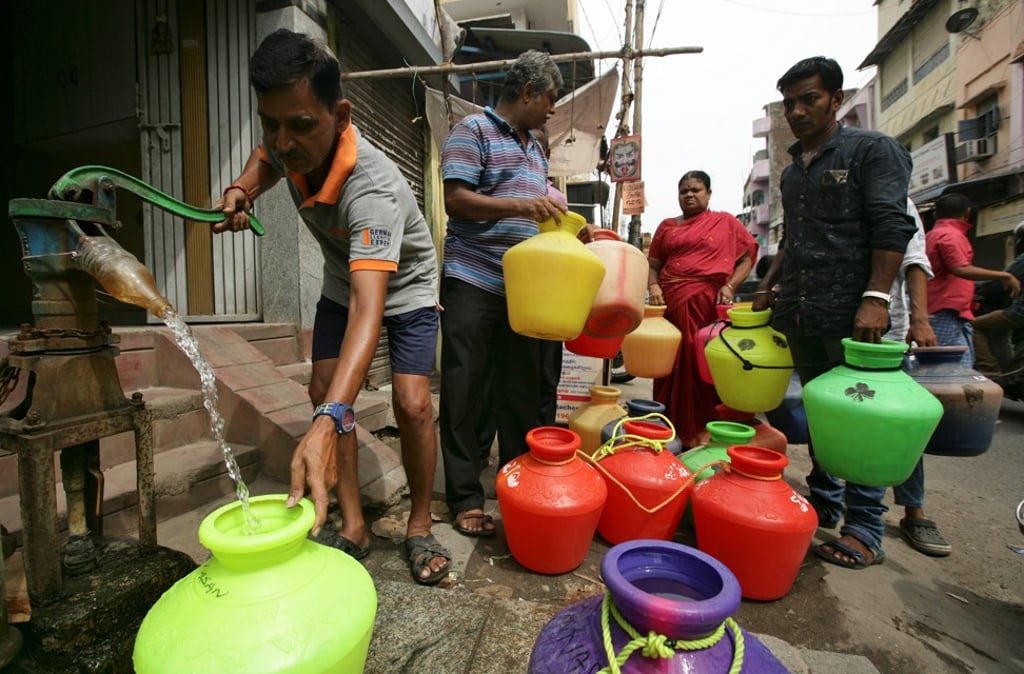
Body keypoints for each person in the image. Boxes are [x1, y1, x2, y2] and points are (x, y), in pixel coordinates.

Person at [213, 29, 450, 585]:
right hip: (346, 280)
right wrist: (242, 190)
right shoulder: (287, 137)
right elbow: (268, 159)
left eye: (299, 126)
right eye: (270, 122)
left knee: (412, 402)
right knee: (325, 391)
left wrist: (324, 426)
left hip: (406, 284)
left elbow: (372, 311)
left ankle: (419, 524)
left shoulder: (371, 190)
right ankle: (354, 526)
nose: (284, 139)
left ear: (340, 116)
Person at [753, 56, 917, 570]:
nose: (798, 111)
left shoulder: (873, 151)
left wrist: (877, 298)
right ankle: (824, 496)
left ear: (836, 100)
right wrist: (770, 285)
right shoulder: (793, 170)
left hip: (854, 314)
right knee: (820, 414)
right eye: (790, 103)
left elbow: (892, 226)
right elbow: (792, 238)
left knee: (858, 418)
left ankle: (866, 526)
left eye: (810, 99)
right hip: (802, 308)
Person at [439, 50, 567, 537]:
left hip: (524, 291)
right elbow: (456, 200)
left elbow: (538, 215)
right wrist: (521, 205)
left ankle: (516, 486)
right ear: (529, 92)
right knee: (465, 388)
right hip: (473, 279)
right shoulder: (472, 132)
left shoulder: (535, 147)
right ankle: (465, 495)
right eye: (550, 98)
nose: (553, 109)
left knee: (519, 393)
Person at [647, 170, 756, 446]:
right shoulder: (667, 226)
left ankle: (702, 431)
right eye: (684, 191)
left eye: (695, 190)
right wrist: (654, 287)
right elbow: (654, 265)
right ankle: (668, 426)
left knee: (702, 365)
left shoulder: (725, 223)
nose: (689, 195)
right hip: (670, 303)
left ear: (708, 193)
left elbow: (747, 257)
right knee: (670, 364)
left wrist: (730, 286)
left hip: (708, 304)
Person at [888, 201, 948, 557]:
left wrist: (920, 320)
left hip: (888, 333)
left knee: (901, 426)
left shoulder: (897, 198)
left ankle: (914, 510)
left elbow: (914, 261)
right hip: (832, 328)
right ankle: (835, 504)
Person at [925, 193, 1020, 368]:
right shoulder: (950, 235)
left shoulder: (933, 234)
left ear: (935, 215)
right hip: (946, 308)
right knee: (950, 367)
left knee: (958, 364)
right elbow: (960, 269)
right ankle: (989, 369)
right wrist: (1004, 276)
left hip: (949, 307)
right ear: (967, 213)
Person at [973, 222, 1024, 378]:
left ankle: (990, 370)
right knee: (1001, 332)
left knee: (972, 325)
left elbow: (998, 281)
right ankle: (1008, 372)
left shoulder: (1022, 260)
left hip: (1019, 313)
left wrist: (967, 284)